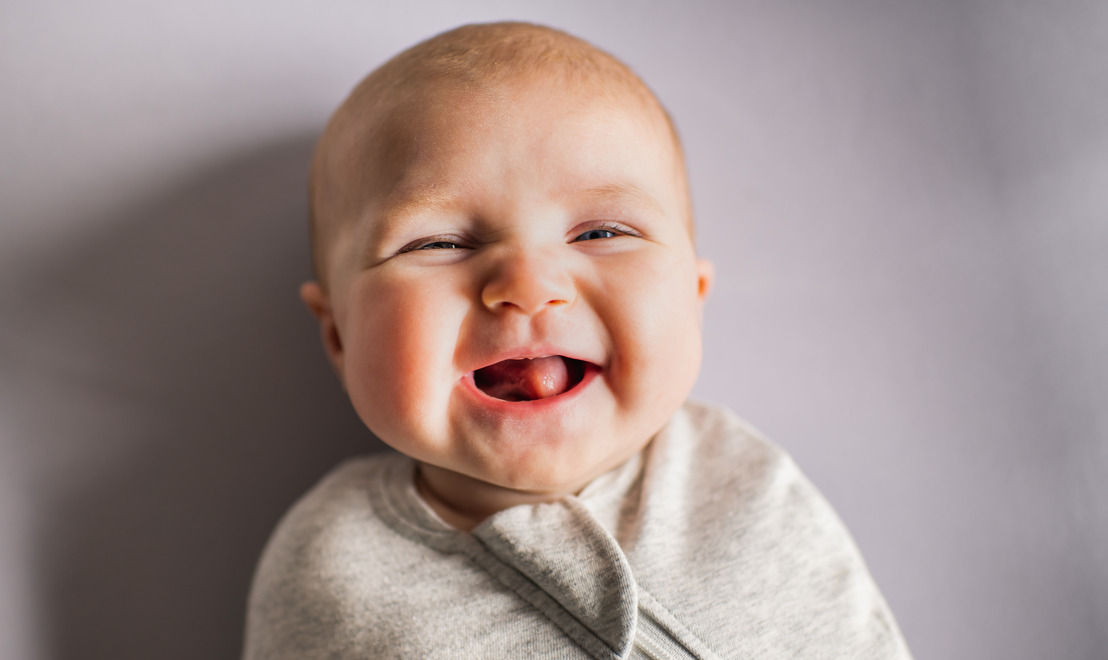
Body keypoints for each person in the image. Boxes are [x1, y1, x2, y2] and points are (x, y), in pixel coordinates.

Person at [243, 21, 912, 659]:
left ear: (693, 300)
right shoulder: (331, 561)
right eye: (439, 243)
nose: (528, 286)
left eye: (601, 233)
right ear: (337, 334)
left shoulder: (745, 486)